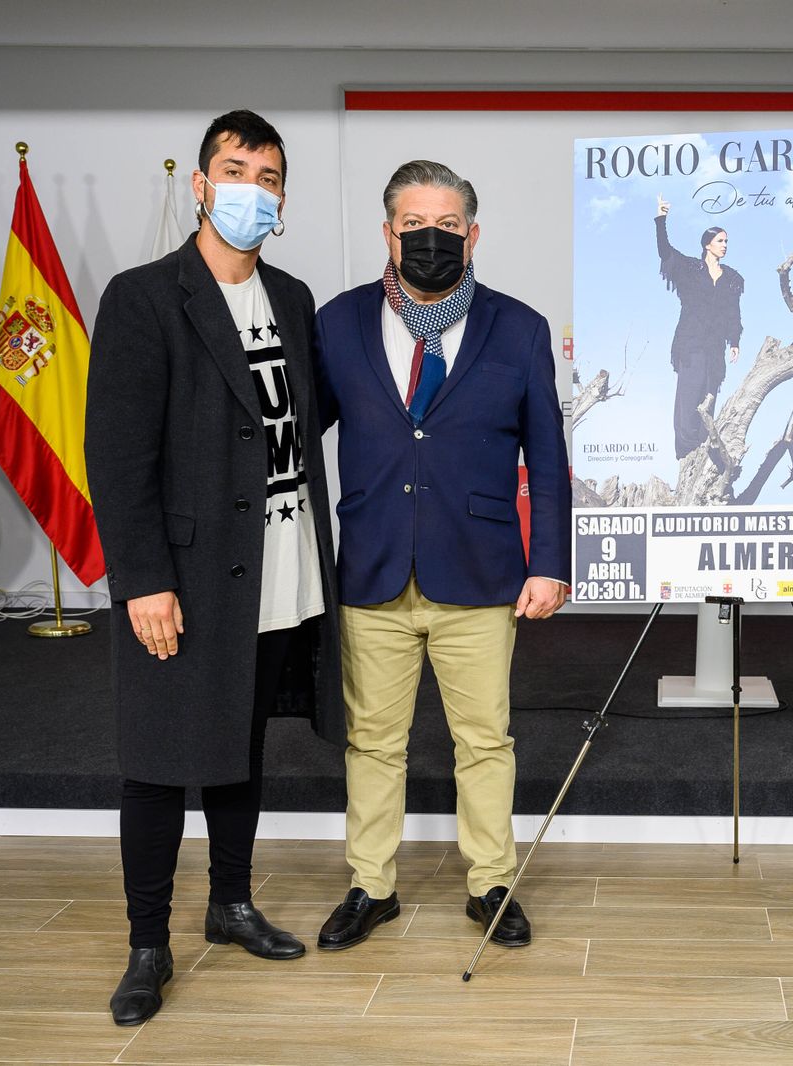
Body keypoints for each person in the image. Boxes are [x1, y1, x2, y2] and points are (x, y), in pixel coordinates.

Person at [85, 110, 342, 1026]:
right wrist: (141, 579)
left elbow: (302, 420)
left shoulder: (297, 298)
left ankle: (229, 904)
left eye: (268, 177)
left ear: (282, 197)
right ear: (201, 185)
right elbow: (115, 460)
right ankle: (147, 945)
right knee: (157, 765)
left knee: (239, 751)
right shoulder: (144, 297)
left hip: (279, 568)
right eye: (235, 171)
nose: (252, 190)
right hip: (182, 583)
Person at [312, 160, 571, 954]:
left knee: (484, 740)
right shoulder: (336, 322)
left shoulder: (519, 327)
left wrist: (550, 561)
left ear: (473, 235)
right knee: (373, 743)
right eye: (415, 226)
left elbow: (549, 458)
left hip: (482, 572)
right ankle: (371, 886)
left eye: (448, 227)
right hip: (373, 570)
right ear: (388, 233)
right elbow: (290, 439)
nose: (432, 239)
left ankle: (492, 884)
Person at [655, 197, 743, 459]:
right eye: (720, 241)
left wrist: (735, 341)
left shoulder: (732, 279)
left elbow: (733, 313)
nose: (725, 245)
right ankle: (686, 453)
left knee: (708, 397)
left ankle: (704, 451)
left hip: (715, 347)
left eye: (727, 241)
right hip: (690, 343)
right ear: (707, 244)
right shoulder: (691, 269)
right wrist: (661, 220)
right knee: (688, 396)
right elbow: (665, 252)